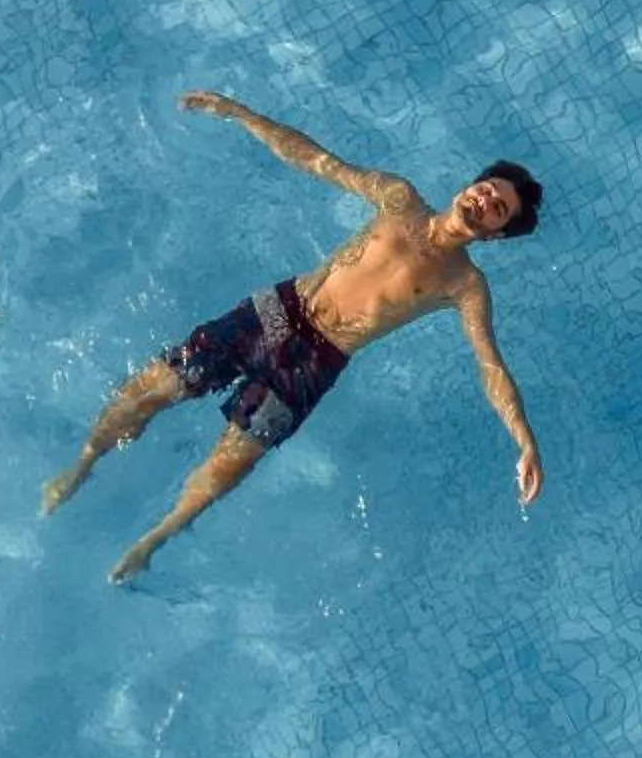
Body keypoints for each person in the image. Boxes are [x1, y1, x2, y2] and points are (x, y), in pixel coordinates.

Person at [45, 92, 547, 583]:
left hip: (314, 362)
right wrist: (240, 112)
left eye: (498, 208)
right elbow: (316, 159)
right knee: (159, 382)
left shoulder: (464, 284)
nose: (485, 200)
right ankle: (83, 463)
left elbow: (491, 365)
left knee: (230, 463)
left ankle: (153, 539)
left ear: (495, 234)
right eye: (487, 189)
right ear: (469, 185)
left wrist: (523, 439)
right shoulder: (400, 199)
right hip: (279, 310)